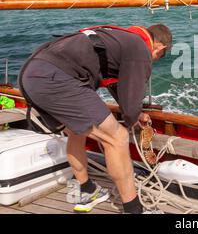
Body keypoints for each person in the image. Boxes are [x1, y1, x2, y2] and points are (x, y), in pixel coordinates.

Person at [19, 24, 172, 214]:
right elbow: (131, 103)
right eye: (157, 58)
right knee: (118, 138)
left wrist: (135, 112)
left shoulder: (117, 38)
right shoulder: (141, 47)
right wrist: (134, 117)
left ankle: (88, 191)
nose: (153, 60)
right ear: (159, 47)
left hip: (31, 76)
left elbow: (116, 86)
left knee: (77, 131)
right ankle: (134, 210)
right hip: (57, 79)